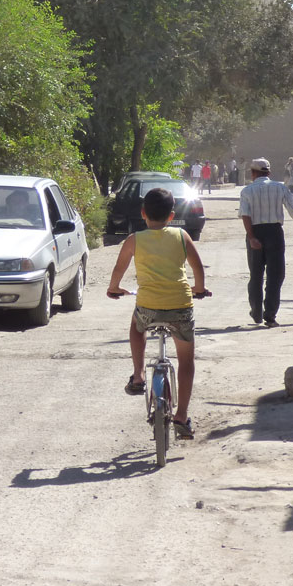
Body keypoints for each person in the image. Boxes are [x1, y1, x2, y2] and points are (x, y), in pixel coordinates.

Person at [106, 187, 208, 439]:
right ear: (171, 216)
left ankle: (139, 375)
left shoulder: (134, 239)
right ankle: (182, 417)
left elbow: (119, 268)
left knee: (136, 326)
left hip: (148, 305)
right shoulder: (182, 236)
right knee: (186, 360)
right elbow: (198, 268)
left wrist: (114, 288)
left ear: (143, 213)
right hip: (180, 305)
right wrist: (199, 289)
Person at [239, 157, 293, 327]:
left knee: (256, 274)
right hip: (275, 233)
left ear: (253, 173)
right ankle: (270, 315)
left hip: (254, 231)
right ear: (269, 172)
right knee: (276, 275)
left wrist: (252, 237)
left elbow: (245, 215)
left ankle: (256, 313)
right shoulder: (280, 188)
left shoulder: (247, 191)